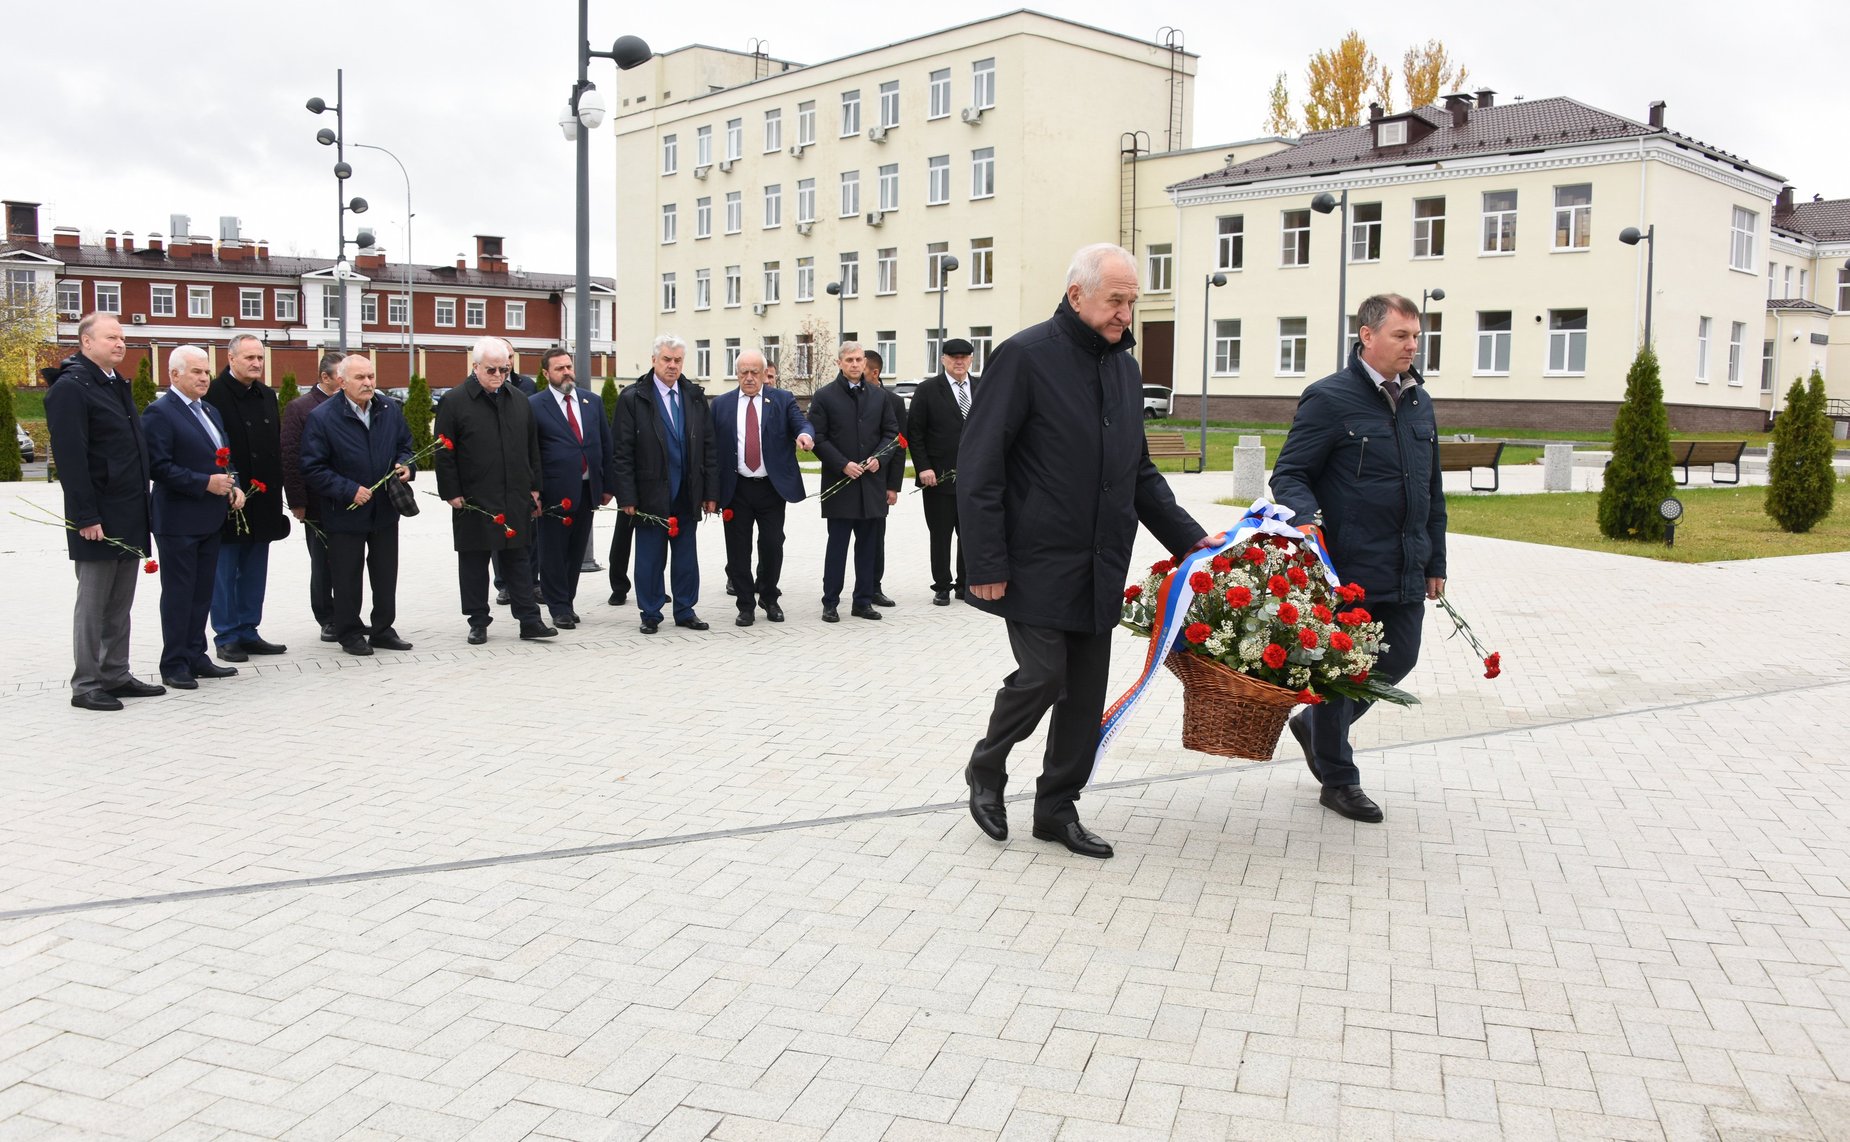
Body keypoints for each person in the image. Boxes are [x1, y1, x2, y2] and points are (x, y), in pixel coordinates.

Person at [959, 244, 1206, 859]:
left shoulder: (1123, 368)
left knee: (1085, 694)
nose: (1127, 313)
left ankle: (1057, 810)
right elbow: (980, 464)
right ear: (1077, 294)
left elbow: (1139, 471)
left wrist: (1190, 540)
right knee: (1044, 676)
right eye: (1116, 300)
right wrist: (985, 562)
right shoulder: (1024, 357)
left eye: (1132, 301)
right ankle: (986, 768)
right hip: (1033, 559)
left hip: (1100, 560)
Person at [1270, 293, 1447, 825]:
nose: (1412, 346)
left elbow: (1431, 488)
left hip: (1406, 563)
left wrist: (1436, 560)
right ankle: (1339, 779)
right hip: (1347, 568)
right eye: (1401, 336)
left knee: (1400, 659)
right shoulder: (1329, 398)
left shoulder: (1419, 400)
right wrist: (1304, 516)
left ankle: (1316, 727)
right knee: (1340, 673)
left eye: (1416, 337)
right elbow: (1290, 473)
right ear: (1367, 336)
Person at [44, 315, 165, 711]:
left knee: (120, 602)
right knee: (93, 602)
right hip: (97, 517)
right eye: (111, 337)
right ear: (85, 341)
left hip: (129, 511)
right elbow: (72, 459)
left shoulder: (113, 383)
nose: (120, 343)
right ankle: (86, 684)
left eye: (123, 337)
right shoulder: (72, 388)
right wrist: (85, 516)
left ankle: (115, 672)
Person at [434, 337, 556, 644]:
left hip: (514, 493)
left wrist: (535, 488)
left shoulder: (518, 399)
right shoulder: (454, 401)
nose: (498, 375)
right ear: (475, 367)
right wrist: (451, 492)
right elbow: (443, 452)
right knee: (474, 561)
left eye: (504, 369)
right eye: (491, 369)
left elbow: (532, 449)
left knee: (518, 559)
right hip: (474, 497)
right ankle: (478, 621)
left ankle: (529, 620)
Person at [144, 345, 248, 689]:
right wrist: (205, 483)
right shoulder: (160, 413)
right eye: (196, 372)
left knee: (202, 592)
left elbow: (223, 456)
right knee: (179, 593)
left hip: (210, 517)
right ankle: (174, 663)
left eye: (206, 372)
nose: (204, 378)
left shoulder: (210, 412)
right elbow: (159, 466)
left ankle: (196, 655)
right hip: (178, 520)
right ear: (174, 375)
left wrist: (233, 485)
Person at [300, 354, 417, 656]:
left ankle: (382, 629)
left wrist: (406, 466)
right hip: (345, 512)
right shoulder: (323, 417)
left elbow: (406, 444)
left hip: (385, 509)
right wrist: (348, 490)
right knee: (346, 575)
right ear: (341, 382)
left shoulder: (389, 409)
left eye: (371, 376)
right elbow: (312, 467)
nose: (368, 383)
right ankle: (349, 632)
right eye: (360, 378)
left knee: (385, 573)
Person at [612, 334, 717, 633]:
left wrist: (710, 491)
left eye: (678, 360)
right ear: (654, 360)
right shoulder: (634, 397)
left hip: (687, 490)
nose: (672, 366)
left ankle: (685, 609)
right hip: (650, 492)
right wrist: (627, 497)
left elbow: (709, 446)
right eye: (667, 360)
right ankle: (651, 612)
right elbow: (622, 452)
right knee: (649, 558)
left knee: (686, 557)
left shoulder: (694, 396)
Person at [710, 350, 813, 626]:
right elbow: (710, 450)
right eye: (744, 372)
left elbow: (800, 423)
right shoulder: (721, 404)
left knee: (772, 544)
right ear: (736, 374)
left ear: (764, 373)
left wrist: (805, 435)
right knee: (738, 549)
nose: (749, 377)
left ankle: (769, 596)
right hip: (736, 488)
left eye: (755, 372)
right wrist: (710, 493)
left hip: (770, 488)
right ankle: (745, 605)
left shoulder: (782, 399)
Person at [204, 332, 289, 662]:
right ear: (231, 359)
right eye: (249, 357)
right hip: (231, 496)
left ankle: (248, 630)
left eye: (260, 358)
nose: (256, 363)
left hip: (263, 496)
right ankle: (226, 634)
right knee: (226, 569)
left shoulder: (267, 395)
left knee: (254, 568)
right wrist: (230, 482)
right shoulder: (214, 394)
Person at [806, 342, 897, 622]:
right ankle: (830, 601)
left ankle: (863, 601)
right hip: (841, 484)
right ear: (839, 363)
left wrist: (879, 458)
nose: (855, 364)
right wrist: (842, 464)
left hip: (870, 484)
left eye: (859, 359)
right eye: (849, 360)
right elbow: (818, 437)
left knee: (869, 546)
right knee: (838, 546)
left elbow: (891, 432)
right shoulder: (824, 396)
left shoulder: (879, 396)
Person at [528, 346, 614, 629]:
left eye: (568, 366)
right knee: (553, 552)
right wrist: (534, 490)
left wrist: (607, 483)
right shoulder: (535, 405)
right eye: (559, 368)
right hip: (554, 493)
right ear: (546, 373)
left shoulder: (592, 402)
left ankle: (568, 600)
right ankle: (558, 607)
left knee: (576, 551)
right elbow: (531, 452)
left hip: (587, 489)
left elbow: (605, 444)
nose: (566, 372)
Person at [281, 351, 346, 641]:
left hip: (347, 498)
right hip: (317, 501)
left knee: (347, 560)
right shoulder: (301, 408)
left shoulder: (350, 403)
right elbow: (291, 456)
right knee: (322, 562)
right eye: (340, 377)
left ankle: (347, 615)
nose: (346, 382)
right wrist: (297, 500)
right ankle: (326, 617)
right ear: (325, 377)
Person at [907, 338, 977, 605]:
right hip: (937, 477)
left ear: (971, 359)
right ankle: (942, 585)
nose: (959, 361)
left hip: (974, 477)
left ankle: (965, 583)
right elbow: (915, 432)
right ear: (943, 359)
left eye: (964, 357)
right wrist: (923, 467)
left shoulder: (982, 387)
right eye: (953, 357)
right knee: (941, 533)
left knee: (969, 533)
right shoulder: (927, 390)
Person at [489, 337, 538, 605]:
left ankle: (531, 581)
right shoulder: (480, 386)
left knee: (527, 534)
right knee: (499, 531)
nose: (504, 362)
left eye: (508, 356)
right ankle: (503, 584)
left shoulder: (525, 386)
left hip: (520, 472)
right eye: (500, 357)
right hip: (494, 478)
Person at [861, 349, 906, 608]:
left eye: (861, 366)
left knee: (876, 537)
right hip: (851, 477)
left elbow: (899, 446)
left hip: (879, 482)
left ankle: (874, 587)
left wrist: (893, 486)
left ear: (874, 372)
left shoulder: (893, 401)